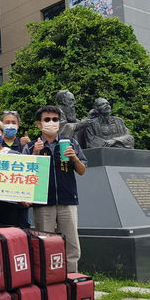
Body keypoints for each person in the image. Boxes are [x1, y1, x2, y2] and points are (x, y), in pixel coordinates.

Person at [23, 105, 87, 272]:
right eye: (47, 120)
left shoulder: (71, 143)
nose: (51, 123)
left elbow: (82, 171)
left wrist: (74, 158)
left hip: (67, 201)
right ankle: (48, 280)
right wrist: (35, 154)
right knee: (45, 245)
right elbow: (24, 176)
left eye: (55, 119)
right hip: (43, 203)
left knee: (72, 245)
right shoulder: (31, 147)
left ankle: (72, 278)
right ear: (39, 124)